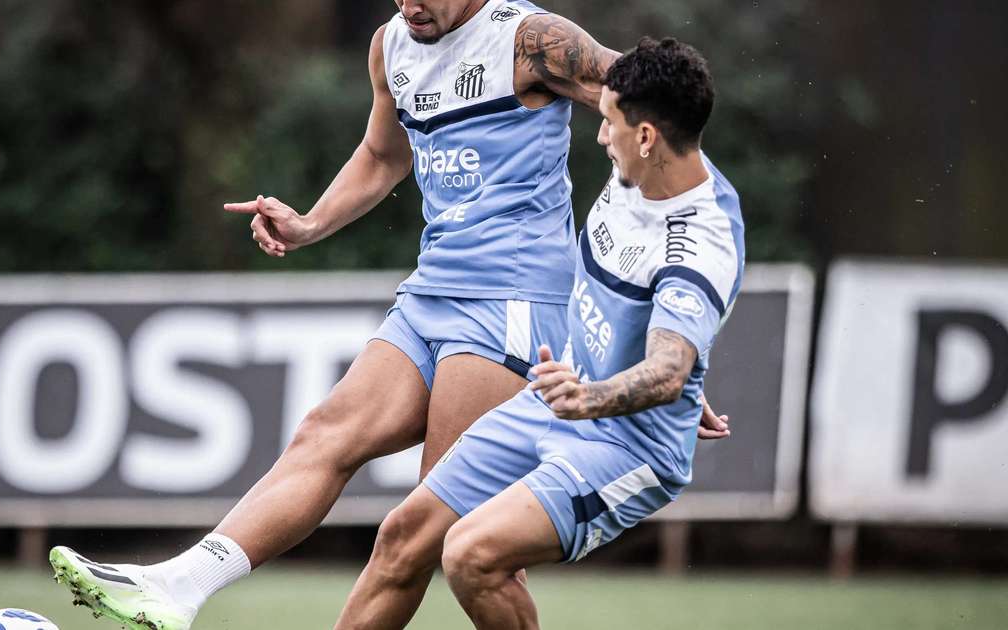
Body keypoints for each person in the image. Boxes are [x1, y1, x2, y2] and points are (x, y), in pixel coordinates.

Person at [47, 1, 729, 627]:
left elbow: (657, 122)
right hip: (431, 291)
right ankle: (179, 588)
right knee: (325, 435)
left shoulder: (530, 42)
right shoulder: (390, 46)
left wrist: (658, 347)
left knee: (430, 536)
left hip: (515, 303)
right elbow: (382, 154)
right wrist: (309, 224)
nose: (409, 3)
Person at [338, 36, 742, 630]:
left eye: (609, 122)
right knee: (403, 534)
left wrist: (640, 383)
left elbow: (670, 369)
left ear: (648, 136)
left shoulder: (699, 242)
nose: (601, 135)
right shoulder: (651, 164)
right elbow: (666, 354)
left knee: (471, 555)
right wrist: (659, 364)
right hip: (557, 400)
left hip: (627, 449)